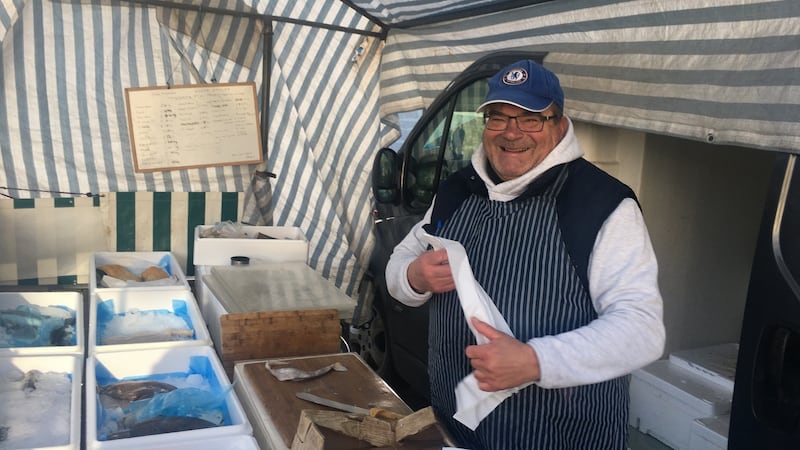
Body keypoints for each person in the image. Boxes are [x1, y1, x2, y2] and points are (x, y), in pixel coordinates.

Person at [385, 59, 665, 449]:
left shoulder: (601, 204)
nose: (511, 133)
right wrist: (413, 277)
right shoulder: (457, 190)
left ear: (560, 125)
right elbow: (401, 257)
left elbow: (642, 329)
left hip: (562, 435)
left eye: (531, 119)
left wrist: (537, 361)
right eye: (498, 118)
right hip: (456, 424)